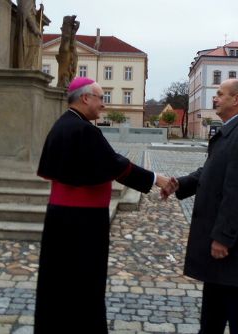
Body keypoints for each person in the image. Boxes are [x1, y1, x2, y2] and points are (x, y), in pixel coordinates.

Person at [34, 77, 169, 333]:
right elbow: (117, 165)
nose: (103, 105)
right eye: (100, 98)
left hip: (62, 219)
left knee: (58, 281)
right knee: (84, 283)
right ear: (85, 98)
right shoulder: (83, 130)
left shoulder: (64, 125)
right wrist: (156, 179)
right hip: (82, 224)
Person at [163, 79, 238, 334]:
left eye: (221, 94)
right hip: (224, 251)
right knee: (212, 318)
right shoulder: (230, 131)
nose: (215, 98)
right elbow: (210, 171)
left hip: (235, 249)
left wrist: (223, 237)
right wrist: (181, 184)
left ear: (237, 99)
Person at [16, 0, 43, 69]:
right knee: (34, 43)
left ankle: (29, 65)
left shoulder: (32, 2)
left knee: (36, 43)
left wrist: (40, 11)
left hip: (30, 28)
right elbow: (26, 14)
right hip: (27, 29)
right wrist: (35, 29)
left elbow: (34, 15)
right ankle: (26, 65)